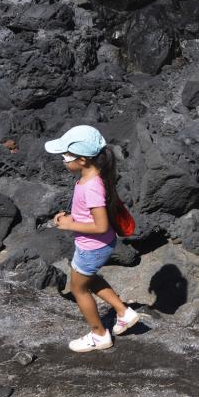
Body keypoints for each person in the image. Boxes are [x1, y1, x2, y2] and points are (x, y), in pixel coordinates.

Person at [44, 125, 139, 352]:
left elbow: (101, 224)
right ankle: (124, 312)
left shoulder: (92, 186)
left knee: (78, 289)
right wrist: (70, 216)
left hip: (93, 247)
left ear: (83, 160)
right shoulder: (91, 178)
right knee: (88, 279)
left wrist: (69, 225)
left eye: (66, 157)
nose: (63, 161)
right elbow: (89, 212)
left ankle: (99, 334)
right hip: (95, 246)